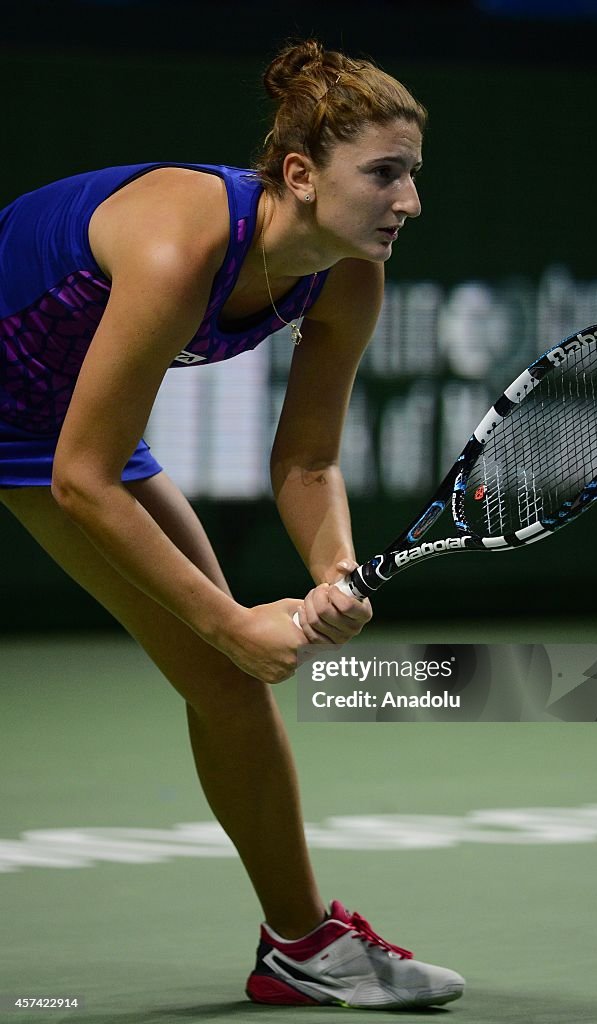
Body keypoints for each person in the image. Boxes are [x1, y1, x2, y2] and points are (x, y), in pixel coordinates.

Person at [0, 39, 465, 1009]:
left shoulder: (347, 273)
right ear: (299, 174)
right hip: (39, 422)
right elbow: (83, 482)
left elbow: (306, 460)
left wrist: (333, 567)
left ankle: (302, 946)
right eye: (383, 174)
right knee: (223, 650)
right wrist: (231, 617)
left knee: (226, 681)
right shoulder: (182, 246)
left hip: (62, 410)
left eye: (411, 174)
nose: (407, 201)